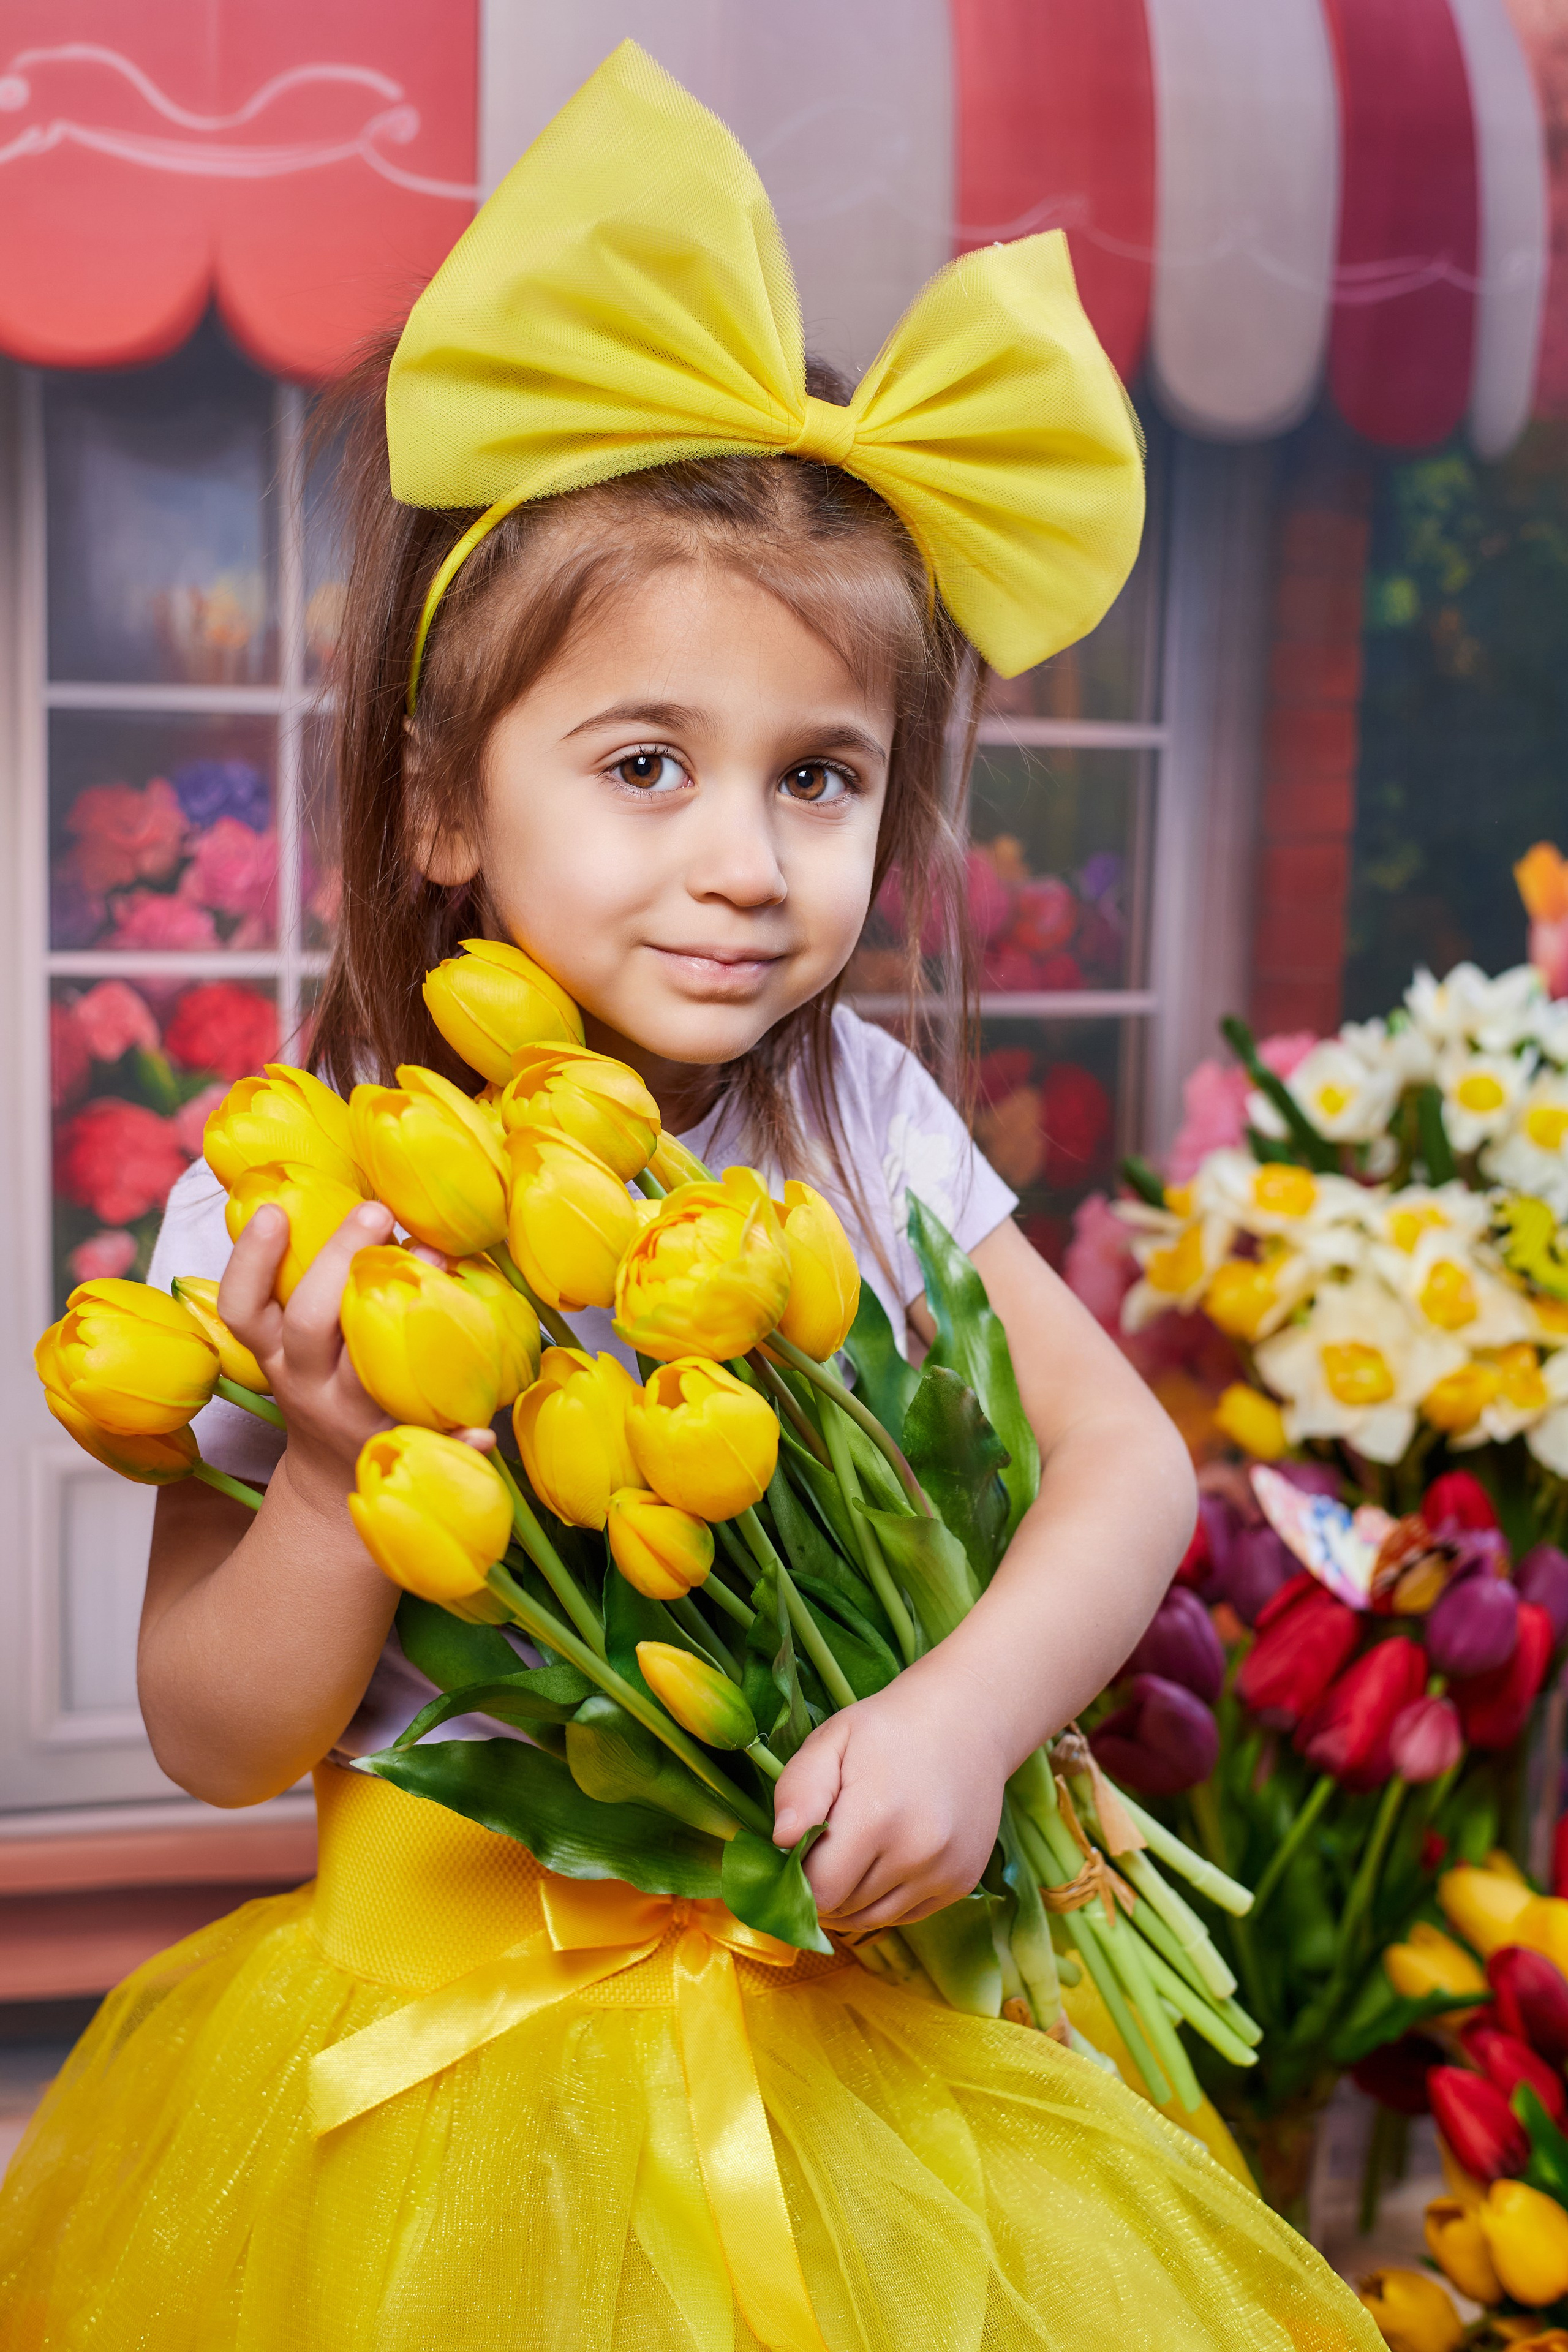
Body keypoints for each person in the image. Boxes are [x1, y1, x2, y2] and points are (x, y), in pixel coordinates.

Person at [0, 44, 1379, 2351]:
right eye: (647, 767)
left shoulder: (860, 1124)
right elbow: (219, 1739)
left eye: (819, 778)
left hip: (855, 2034)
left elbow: (1129, 1466)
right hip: (427, 2092)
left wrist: (960, 1715)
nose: (745, 863)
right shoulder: (317, 1194)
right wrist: (342, 1481)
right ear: (442, 798)